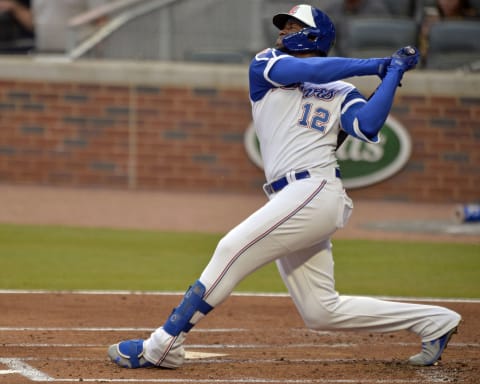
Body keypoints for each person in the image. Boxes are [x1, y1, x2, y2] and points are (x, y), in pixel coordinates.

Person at [107, 4, 461, 369]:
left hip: (313, 190)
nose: (284, 30)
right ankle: (434, 321)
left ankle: (163, 344)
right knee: (322, 311)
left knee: (231, 247)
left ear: (314, 34)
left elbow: (367, 125)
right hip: (291, 196)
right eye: (286, 24)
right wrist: (374, 64)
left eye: (294, 25)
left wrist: (393, 75)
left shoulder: (342, 90)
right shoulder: (267, 64)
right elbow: (308, 69)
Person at [321, 0, 391, 56]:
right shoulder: (332, 8)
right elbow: (325, 35)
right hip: (341, 57)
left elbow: (384, 37)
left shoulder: (376, 8)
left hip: (368, 56)